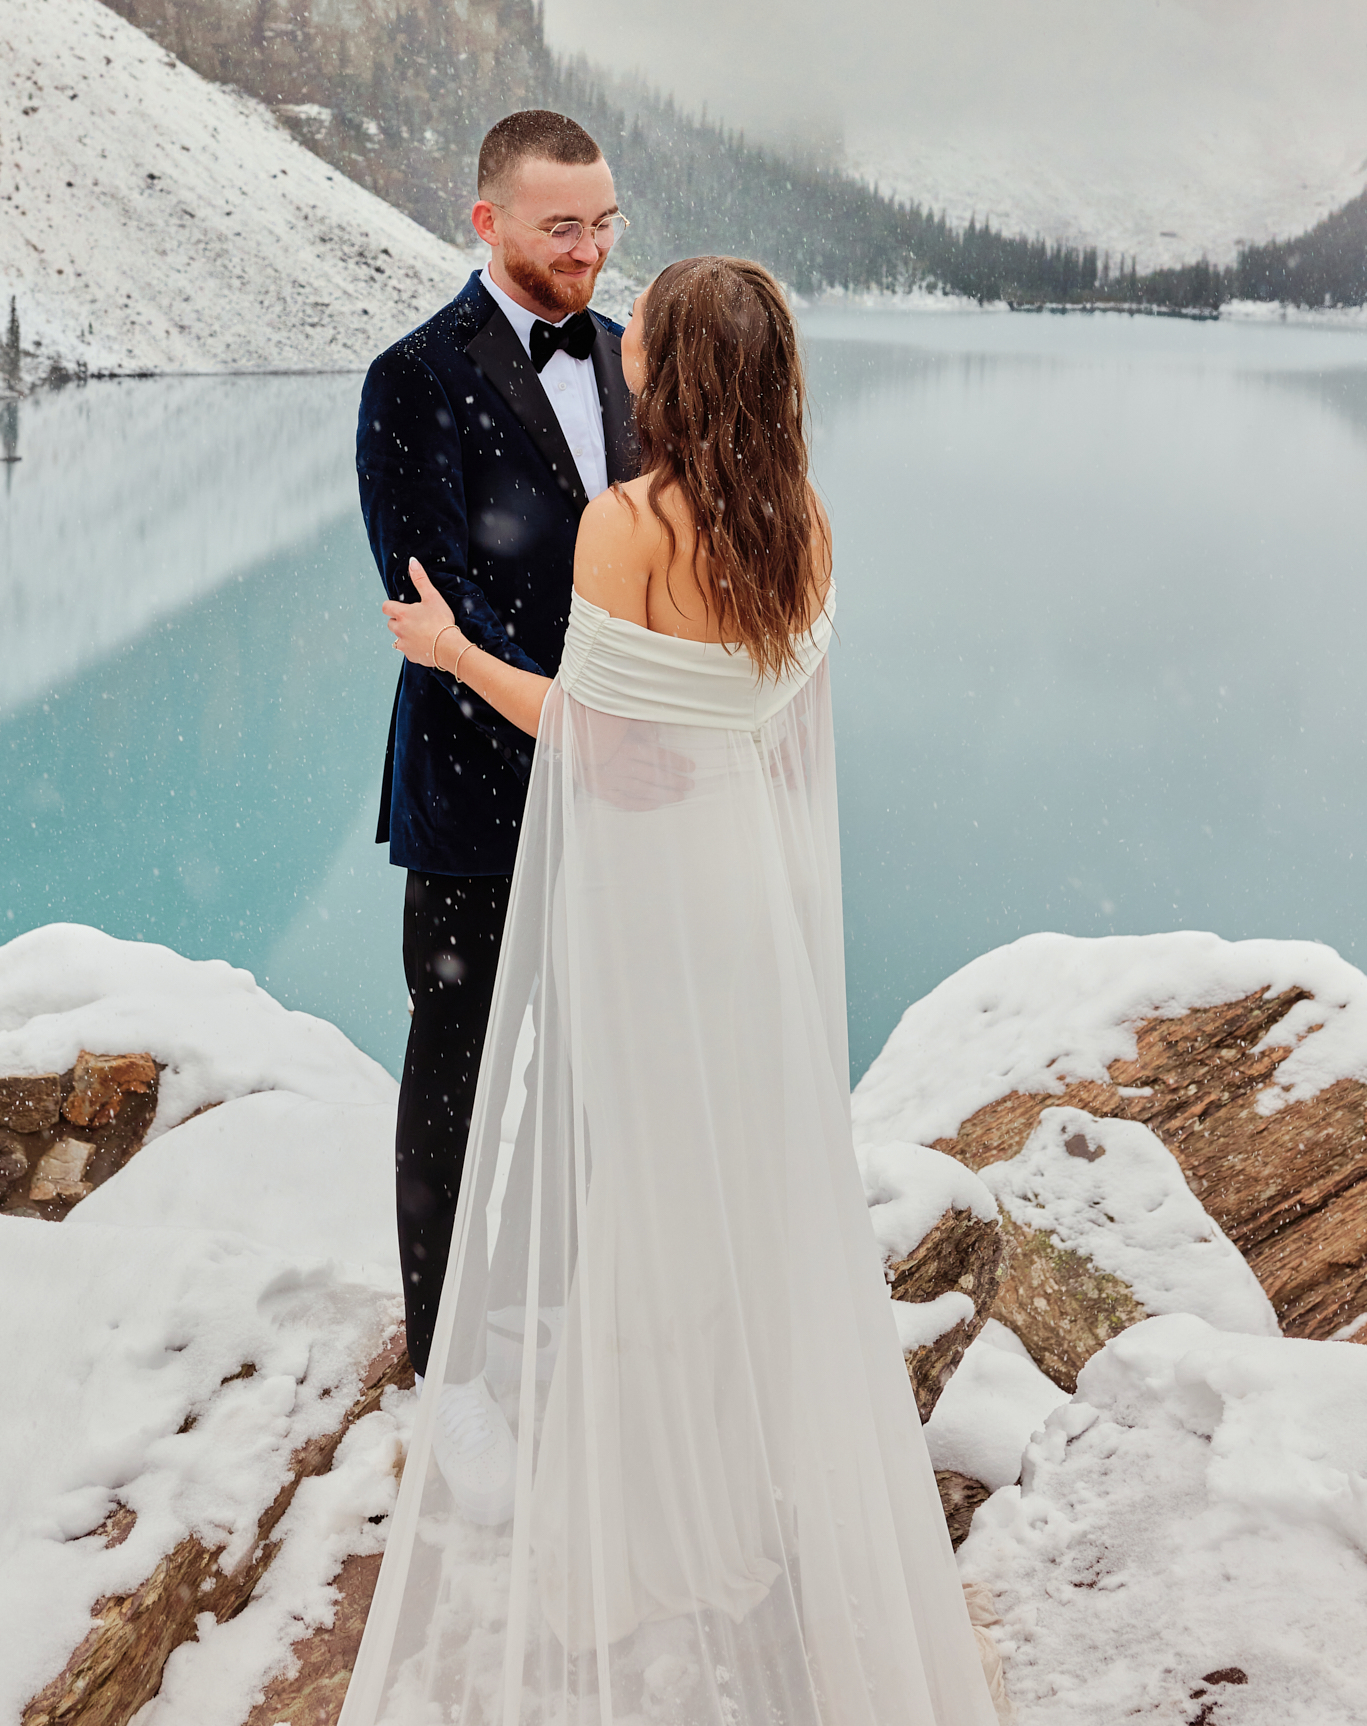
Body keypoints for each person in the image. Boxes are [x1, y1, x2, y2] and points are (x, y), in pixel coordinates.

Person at [342, 257, 1001, 1726]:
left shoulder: (628, 524)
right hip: (748, 886)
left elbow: (594, 737)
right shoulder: (807, 522)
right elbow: (772, 725)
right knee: (728, 1192)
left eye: (651, 346)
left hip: (650, 892)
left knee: (646, 1175)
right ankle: (732, 1478)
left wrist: (450, 650)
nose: (625, 355)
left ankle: (639, 1532)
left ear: (678, 377)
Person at [356, 111, 637, 1467]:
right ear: (488, 224)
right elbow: (432, 595)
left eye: (604, 225)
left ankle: (561, 1314)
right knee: (457, 1070)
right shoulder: (412, 376)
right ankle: (447, 1364)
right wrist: (577, 717)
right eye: (560, 228)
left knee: (593, 1065)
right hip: (476, 789)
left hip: (619, 793)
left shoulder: (639, 364)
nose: (588, 252)